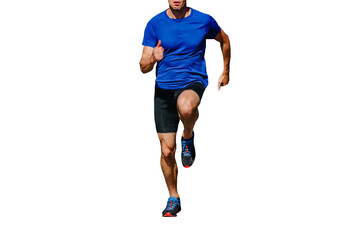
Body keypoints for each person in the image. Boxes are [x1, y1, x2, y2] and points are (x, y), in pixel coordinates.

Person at [139, 0, 231, 217]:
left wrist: (226, 71)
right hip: (163, 89)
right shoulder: (155, 24)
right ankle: (173, 197)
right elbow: (143, 66)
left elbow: (225, 40)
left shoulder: (203, 20)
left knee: (187, 107)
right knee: (166, 151)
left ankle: (187, 135)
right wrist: (153, 57)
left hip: (192, 81)